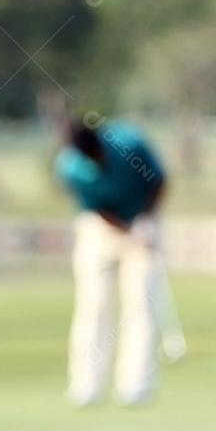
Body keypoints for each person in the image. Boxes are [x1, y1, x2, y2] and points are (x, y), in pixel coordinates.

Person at [55, 118, 168, 406]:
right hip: (100, 229)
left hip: (143, 222)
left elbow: (159, 181)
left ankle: (136, 384)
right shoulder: (70, 167)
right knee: (94, 305)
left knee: (141, 304)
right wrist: (127, 231)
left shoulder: (129, 143)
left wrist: (146, 220)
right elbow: (97, 209)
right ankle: (86, 384)